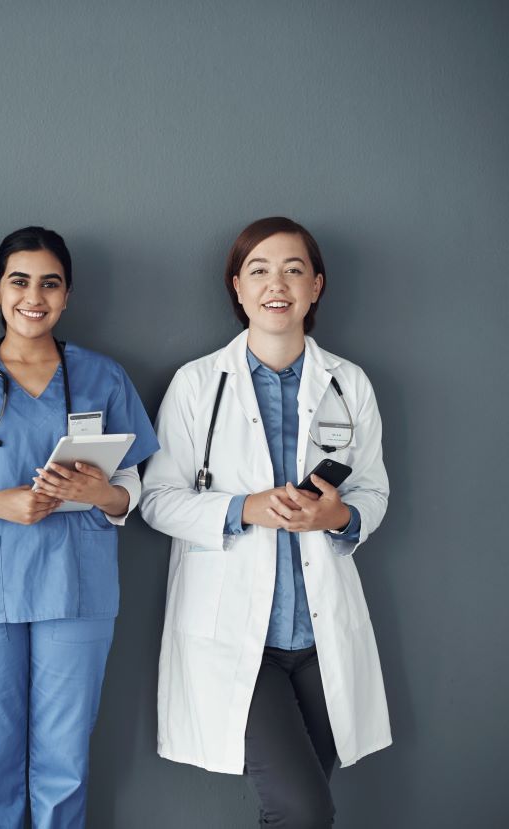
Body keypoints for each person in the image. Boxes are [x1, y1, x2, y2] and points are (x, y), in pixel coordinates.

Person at [139, 217, 391, 827]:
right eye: (259, 270)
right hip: (238, 639)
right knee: (304, 812)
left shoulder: (348, 383)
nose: (276, 284)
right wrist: (242, 508)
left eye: (293, 270)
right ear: (238, 286)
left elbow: (374, 490)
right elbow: (156, 499)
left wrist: (340, 515)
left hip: (321, 637)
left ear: (316, 286)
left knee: (299, 812)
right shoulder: (198, 384)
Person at [0, 226, 159, 828]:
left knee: (65, 760)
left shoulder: (102, 377)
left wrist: (103, 494)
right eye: (19, 281)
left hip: (76, 585)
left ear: (67, 295)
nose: (34, 296)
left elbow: (135, 486)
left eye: (50, 284)